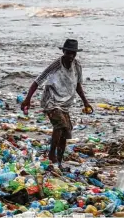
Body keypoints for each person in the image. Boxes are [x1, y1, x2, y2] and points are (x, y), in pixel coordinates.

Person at [21, 39, 92, 167]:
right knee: (60, 125)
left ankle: (59, 161)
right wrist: (27, 99)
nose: (70, 56)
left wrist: (86, 103)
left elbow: (78, 85)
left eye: (73, 54)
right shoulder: (56, 65)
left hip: (65, 103)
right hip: (51, 100)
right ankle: (51, 154)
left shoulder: (77, 66)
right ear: (64, 51)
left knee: (66, 132)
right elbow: (38, 81)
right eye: (68, 53)